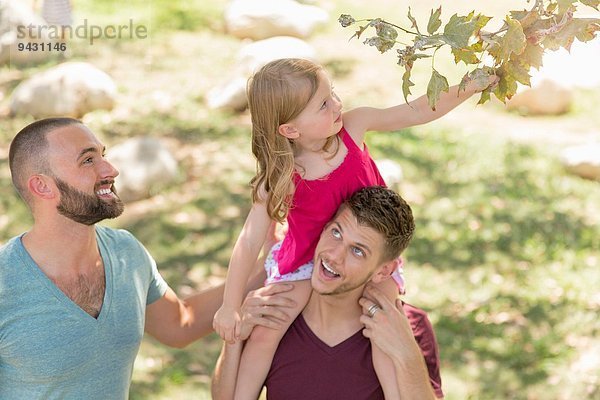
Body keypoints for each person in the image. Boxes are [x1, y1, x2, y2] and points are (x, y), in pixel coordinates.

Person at [212, 58, 495, 399]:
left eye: (331, 93)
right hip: (307, 262)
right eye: (323, 104)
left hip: (367, 251)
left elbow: (417, 110)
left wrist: (469, 86)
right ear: (290, 130)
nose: (336, 104)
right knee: (266, 332)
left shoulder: (353, 127)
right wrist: (230, 305)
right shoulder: (283, 177)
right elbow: (248, 242)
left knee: (382, 319)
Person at [0, 118, 258, 399]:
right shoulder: (6, 285)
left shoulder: (126, 254)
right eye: (87, 160)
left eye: (103, 155)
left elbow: (179, 325)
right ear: (42, 186)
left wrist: (269, 266)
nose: (111, 170)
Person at [212, 186, 442, 399]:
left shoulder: (408, 327)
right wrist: (235, 337)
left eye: (357, 251)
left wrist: (407, 356)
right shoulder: (274, 313)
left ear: (384, 271)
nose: (334, 255)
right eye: (336, 233)